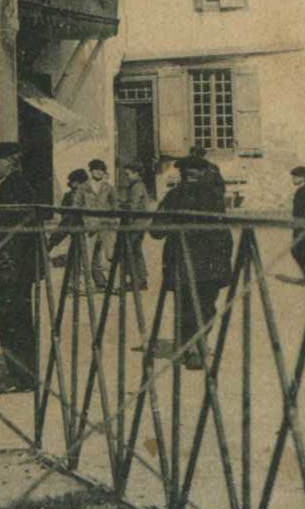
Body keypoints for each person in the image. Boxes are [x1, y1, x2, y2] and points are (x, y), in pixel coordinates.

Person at [153, 153, 234, 368]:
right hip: (211, 263)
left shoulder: (174, 196)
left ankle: (188, 346)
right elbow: (225, 232)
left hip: (184, 261)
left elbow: (156, 230)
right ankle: (198, 345)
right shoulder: (215, 197)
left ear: (183, 175)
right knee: (206, 304)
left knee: (185, 304)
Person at [0, 141, 47, 394]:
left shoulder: (15, 188)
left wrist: (6, 263)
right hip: (13, 268)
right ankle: (24, 376)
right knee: (16, 321)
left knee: (13, 323)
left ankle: (21, 378)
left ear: (9, 162)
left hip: (11, 270)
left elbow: (19, 232)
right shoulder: (14, 186)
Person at [114, 161, 152, 292]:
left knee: (129, 250)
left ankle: (136, 281)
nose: (126, 176)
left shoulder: (137, 186)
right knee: (136, 251)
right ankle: (141, 280)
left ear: (135, 173)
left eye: (128, 174)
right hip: (140, 223)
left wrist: (118, 205)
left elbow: (133, 205)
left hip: (136, 223)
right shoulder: (137, 185)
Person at [84, 159, 118, 290]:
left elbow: (115, 206)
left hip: (106, 225)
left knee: (110, 255)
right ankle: (89, 285)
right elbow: (77, 205)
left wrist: (113, 221)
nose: (98, 173)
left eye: (101, 170)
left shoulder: (109, 188)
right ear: (91, 171)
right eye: (96, 170)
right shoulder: (84, 188)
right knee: (88, 256)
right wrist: (85, 220)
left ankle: (114, 284)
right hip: (90, 225)